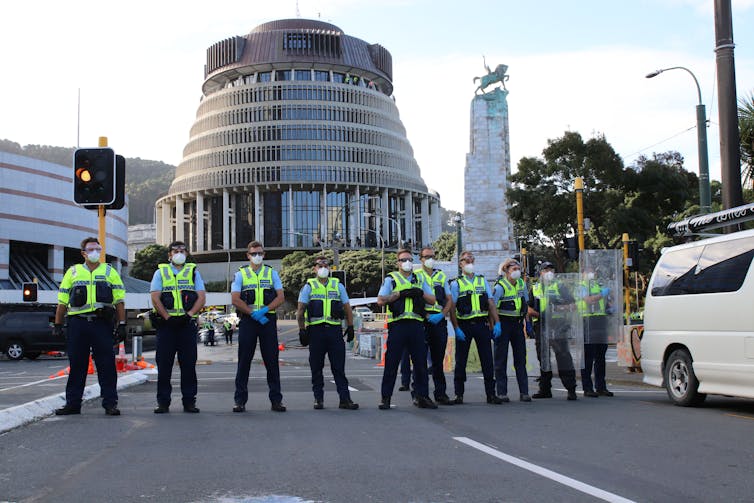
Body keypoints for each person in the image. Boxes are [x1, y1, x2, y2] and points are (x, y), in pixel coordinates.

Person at [53, 237, 126, 416]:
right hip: (78, 324)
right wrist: (58, 323)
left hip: (102, 324)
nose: (95, 253)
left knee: (106, 365)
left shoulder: (110, 272)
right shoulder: (73, 272)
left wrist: (122, 324)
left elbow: (119, 301)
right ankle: (73, 404)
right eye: (91, 249)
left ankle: (110, 404)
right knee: (77, 365)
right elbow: (62, 301)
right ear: (83, 253)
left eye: (98, 249)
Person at [376, 248, 437, 410]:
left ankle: (422, 396)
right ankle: (386, 397)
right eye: (403, 260)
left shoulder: (419, 278)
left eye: (410, 259)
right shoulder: (391, 279)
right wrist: (397, 295)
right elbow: (381, 301)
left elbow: (432, 300)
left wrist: (420, 292)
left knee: (420, 363)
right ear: (398, 263)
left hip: (416, 325)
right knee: (392, 362)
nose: (407, 263)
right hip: (398, 325)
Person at [150, 241, 206, 414]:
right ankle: (163, 402)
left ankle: (189, 401)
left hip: (186, 325)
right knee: (164, 365)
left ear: (187, 253)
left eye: (182, 250)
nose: (179, 253)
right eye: (176, 251)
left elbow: (201, 297)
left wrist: (188, 315)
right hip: (167, 326)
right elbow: (155, 297)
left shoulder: (194, 272)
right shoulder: (161, 272)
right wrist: (167, 317)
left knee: (188, 365)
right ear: (169, 255)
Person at [296, 256, 359, 410]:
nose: (323, 267)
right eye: (319, 265)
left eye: (326, 265)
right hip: (316, 331)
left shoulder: (337, 285)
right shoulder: (308, 287)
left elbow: (347, 308)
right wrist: (302, 330)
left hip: (334, 331)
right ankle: (318, 399)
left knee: (339, 367)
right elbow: (300, 310)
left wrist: (350, 327)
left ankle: (345, 399)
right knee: (316, 367)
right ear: (314, 269)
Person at [231, 241, 287, 412]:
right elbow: (235, 298)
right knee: (244, 362)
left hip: (267, 320)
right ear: (248, 255)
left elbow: (280, 297)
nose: (257, 256)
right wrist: (250, 312)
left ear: (264, 255)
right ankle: (240, 400)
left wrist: (264, 310)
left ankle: (276, 400)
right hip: (248, 321)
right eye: (254, 253)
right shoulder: (241, 274)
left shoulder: (271, 273)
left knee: (271, 361)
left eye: (260, 253)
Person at [449, 251, 504, 405]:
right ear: (460, 264)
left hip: (481, 324)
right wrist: (456, 328)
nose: (470, 262)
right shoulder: (456, 283)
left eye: (472, 259)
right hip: (464, 325)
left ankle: (491, 394)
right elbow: (452, 308)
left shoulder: (482, 280)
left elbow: (491, 303)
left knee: (487, 360)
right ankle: (458, 394)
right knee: (461, 361)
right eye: (466, 260)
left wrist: (497, 323)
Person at [528, 262, 578, 400]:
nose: (549, 272)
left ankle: (571, 388)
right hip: (541, 325)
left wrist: (558, 309)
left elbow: (573, 305)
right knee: (543, 358)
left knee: (563, 357)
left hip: (558, 325)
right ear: (540, 273)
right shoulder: (535, 288)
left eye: (551, 269)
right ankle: (545, 389)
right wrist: (538, 314)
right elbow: (528, 307)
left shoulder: (560, 286)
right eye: (545, 270)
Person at [415, 246, 454, 405]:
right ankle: (419, 394)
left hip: (438, 321)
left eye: (432, 256)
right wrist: (426, 315)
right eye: (426, 256)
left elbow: (449, 299)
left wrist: (442, 314)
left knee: (438, 360)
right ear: (421, 259)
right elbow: (415, 299)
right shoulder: (416, 275)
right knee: (420, 360)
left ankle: (441, 393)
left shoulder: (441, 275)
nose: (430, 259)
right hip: (422, 320)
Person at [492, 258, 531, 402]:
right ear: (506, 271)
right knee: (500, 359)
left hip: (517, 325)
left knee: (520, 359)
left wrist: (528, 323)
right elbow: (493, 307)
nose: (517, 272)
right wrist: (495, 324)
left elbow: (525, 305)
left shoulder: (521, 284)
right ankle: (502, 392)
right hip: (503, 324)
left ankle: (524, 392)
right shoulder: (500, 286)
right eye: (514, 269)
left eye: (518, 269)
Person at [578, 266, 613, 398]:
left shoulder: (598, 285)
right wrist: (602, 294)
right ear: (583, 274)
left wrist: (610, 306)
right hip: (587, 321)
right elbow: (588, 300)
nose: (592, 274)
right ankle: (587, 388)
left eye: (593, 272)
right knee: (588, 356)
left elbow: (606, 301)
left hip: (600, 321)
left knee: (600, 356)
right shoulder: (580, 286)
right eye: (589, 272)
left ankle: (601, 387)